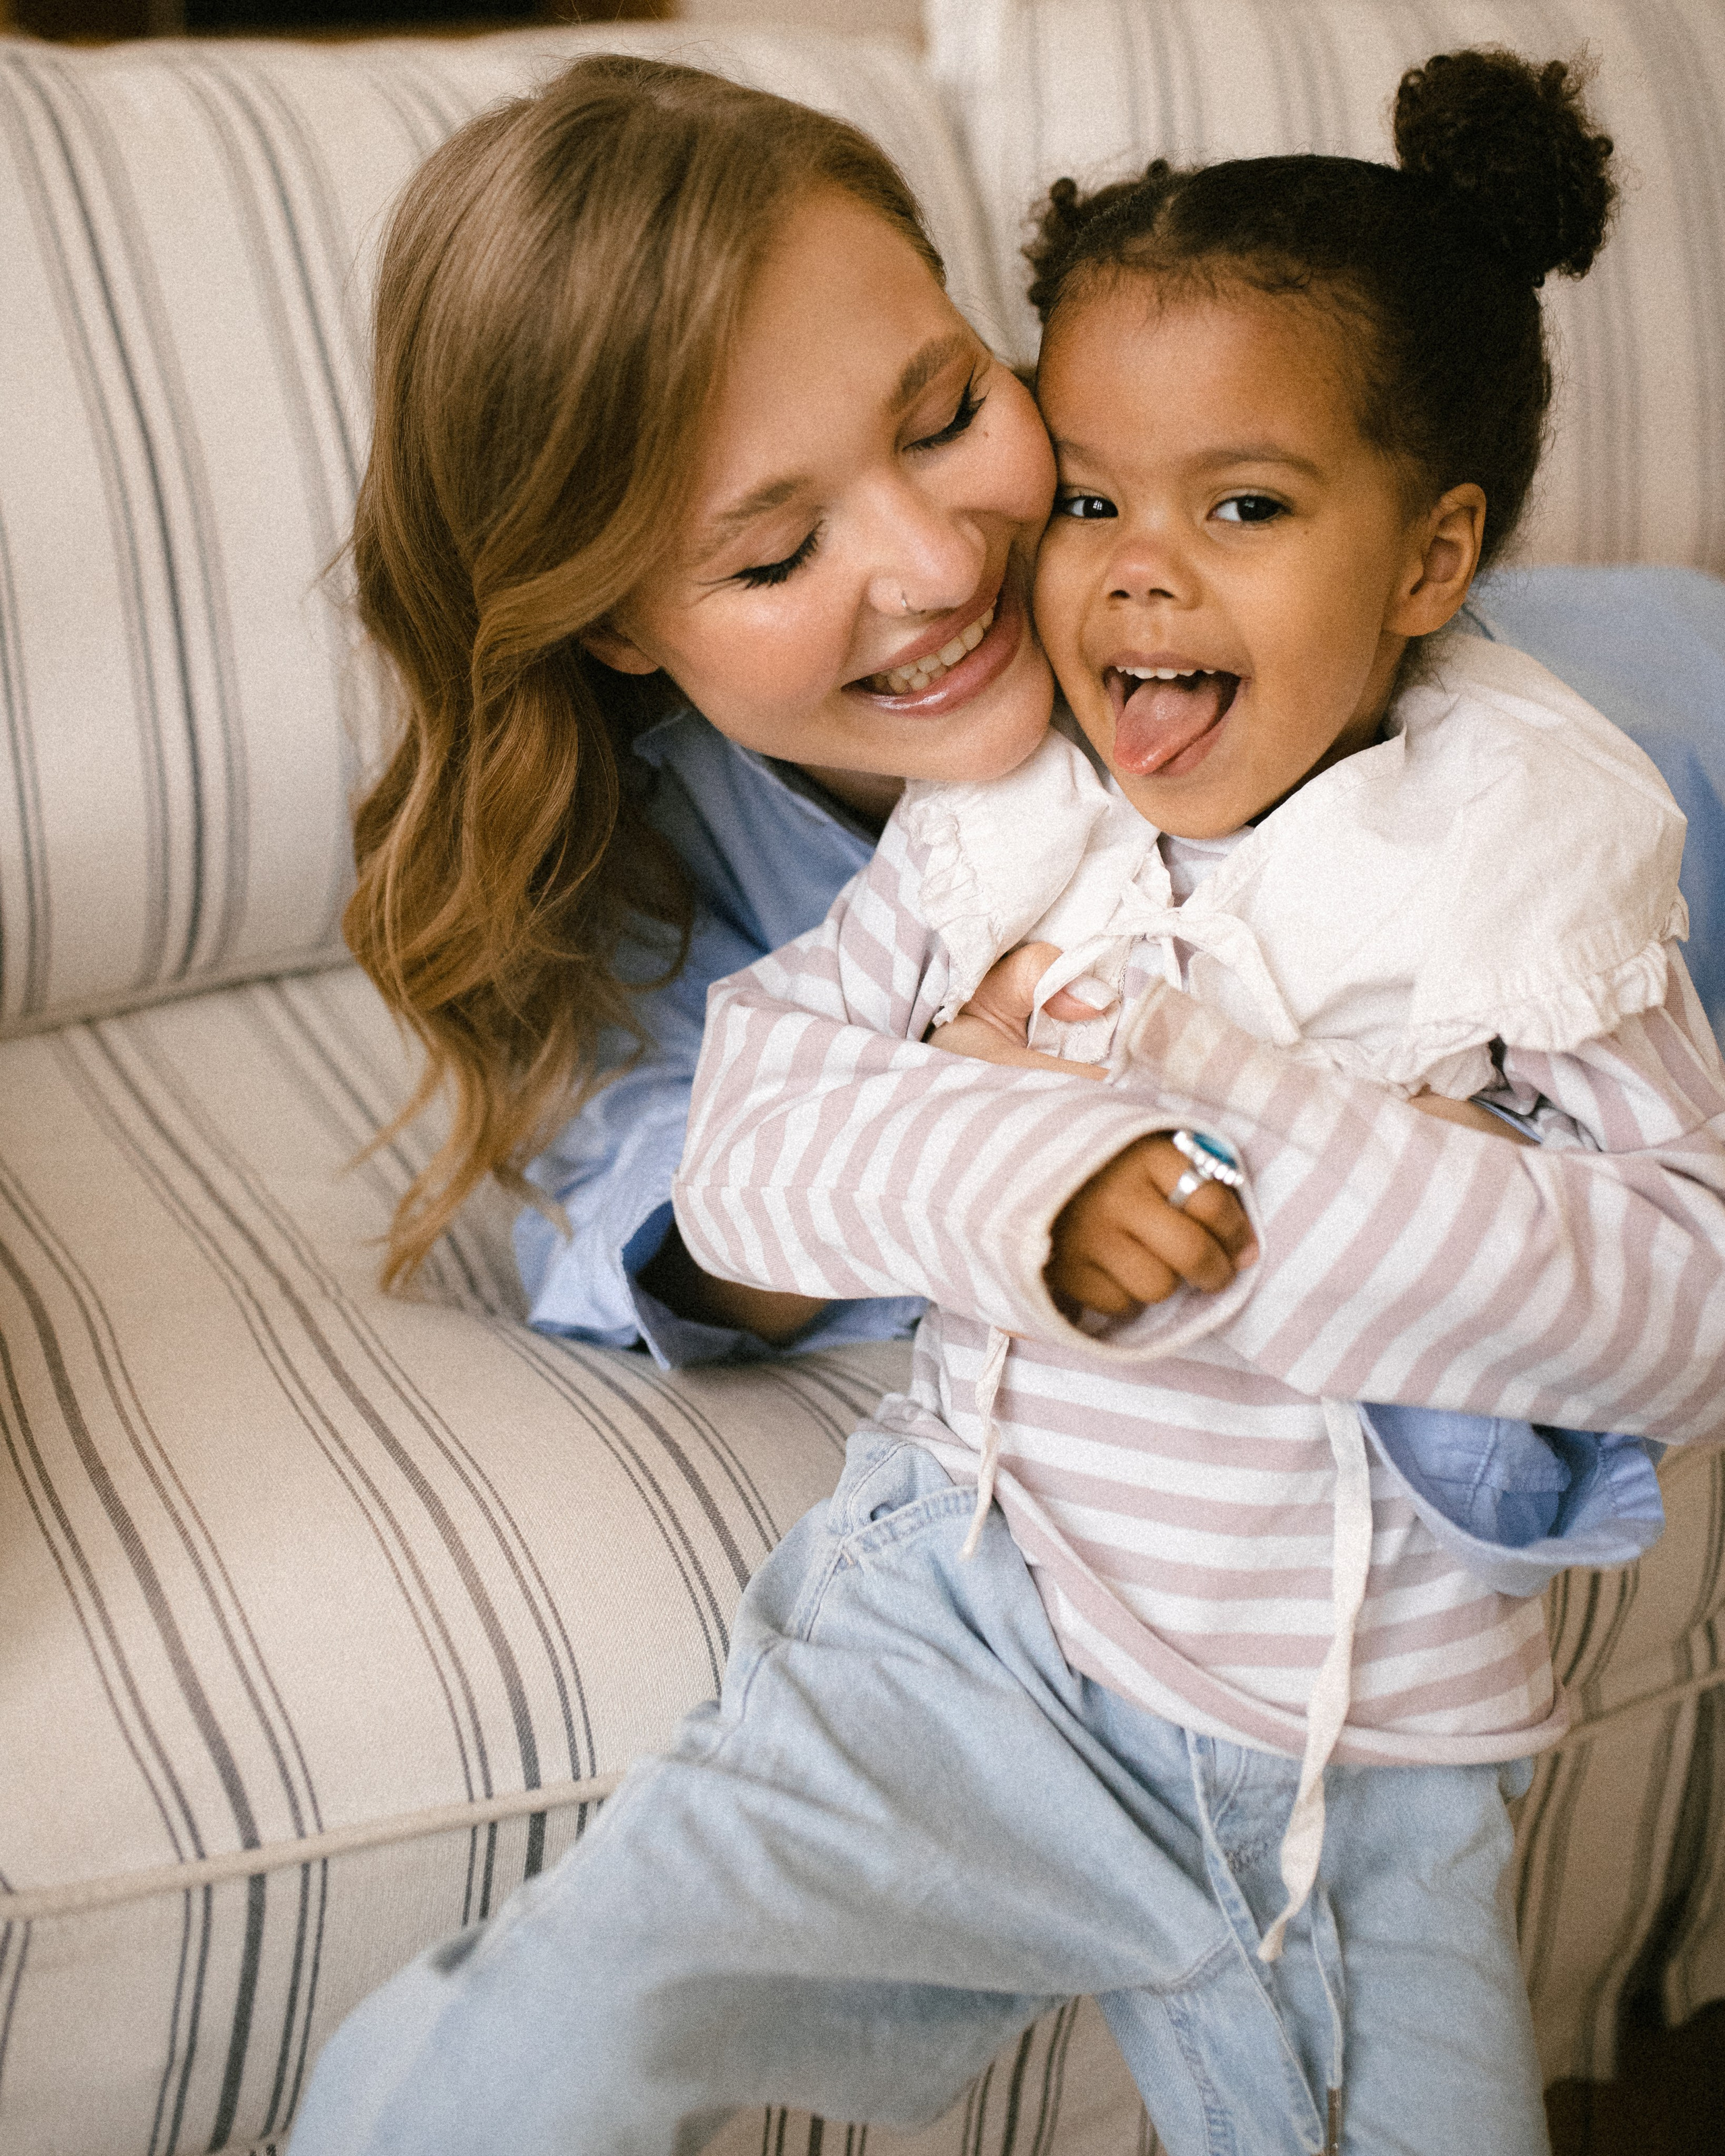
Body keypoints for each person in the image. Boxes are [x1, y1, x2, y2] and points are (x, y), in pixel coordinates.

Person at [292, 45, 1725, 2156]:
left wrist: (1326, 1154)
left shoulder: (1513, 769)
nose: (943, 564)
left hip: (1365, 1730)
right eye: (775, 546)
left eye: (955, 418)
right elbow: (700, 1177)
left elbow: (1653, 1251)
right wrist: (997, 1151)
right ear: (615, 620)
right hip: (1021, 1640)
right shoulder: (902, 856)